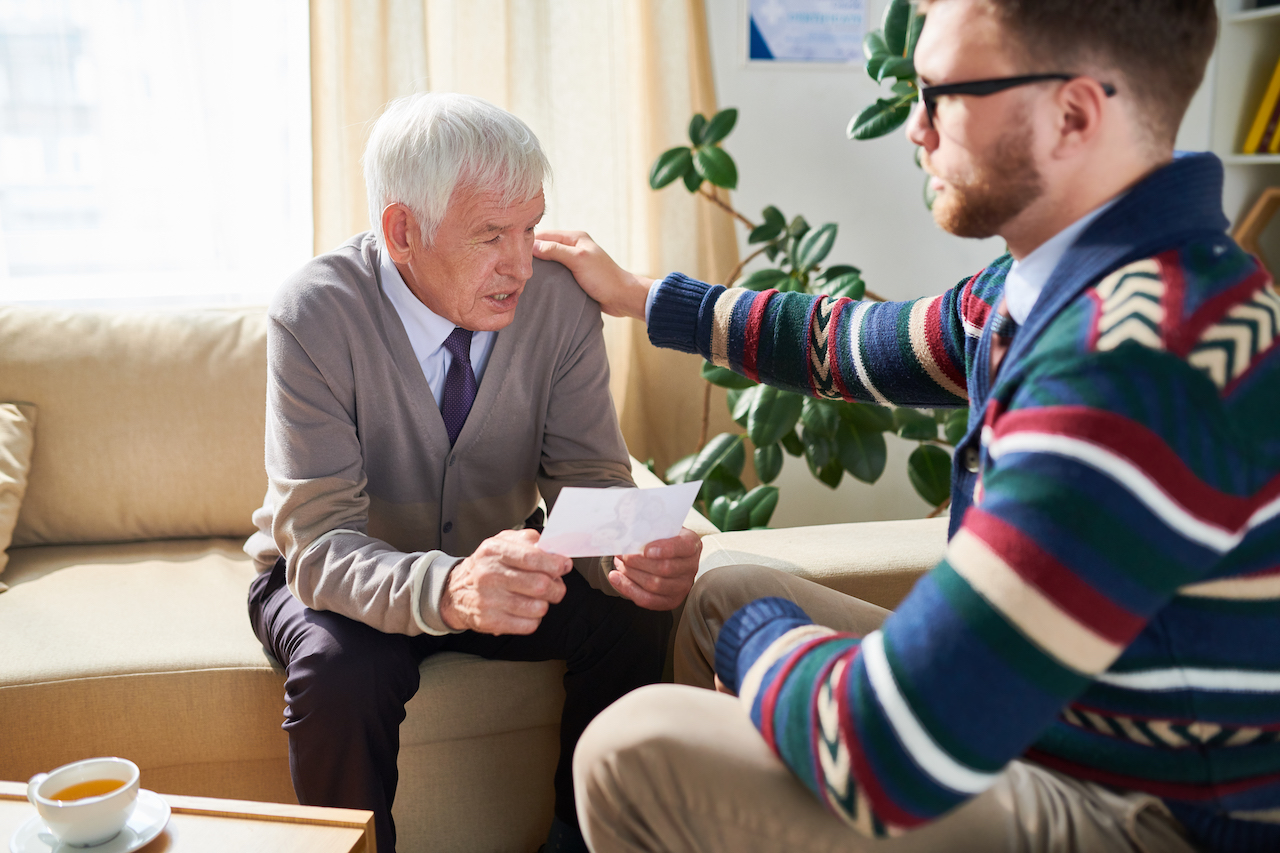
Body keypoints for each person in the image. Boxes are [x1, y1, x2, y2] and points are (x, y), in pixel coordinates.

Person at [535, 1, 1280, 851]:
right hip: (1062, 717)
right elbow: (855, 345)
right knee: (724, 591)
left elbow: (886, 752)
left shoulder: (1131, 359)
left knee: (634, 748)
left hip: (1143, 810)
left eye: (943, 94)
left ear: (1073, 114)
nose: (914, 128)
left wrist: (756, 647)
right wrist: (640, 295)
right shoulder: (1060, 282)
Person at [243, 92, 701, 853]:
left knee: (632, 610)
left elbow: (589, 478)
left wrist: (633, 548)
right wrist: (449, 589)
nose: (520, 264)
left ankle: (581, 841)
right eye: (491, 235)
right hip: (340, 575)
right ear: (403, 231)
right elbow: (319, 547)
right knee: (339, 672)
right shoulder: (315, 312)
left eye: (530, 228)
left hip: (498, 563)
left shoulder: (558, 301)